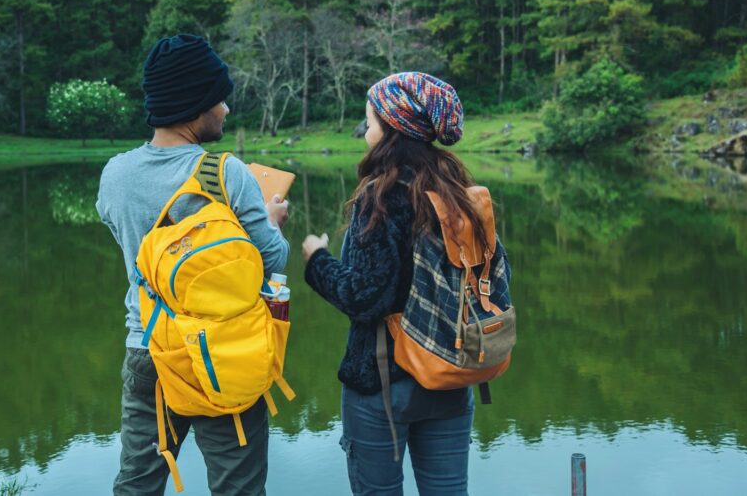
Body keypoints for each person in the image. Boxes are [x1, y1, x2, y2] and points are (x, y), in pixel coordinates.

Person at [96, 33, 290, 496]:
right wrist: (273, 220)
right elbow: (272, 262)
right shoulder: (226, 173)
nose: (224, 109)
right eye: (218, 99)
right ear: (197, 103)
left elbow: (128, 240)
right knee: (237, 488)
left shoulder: (115, 174)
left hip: (148, 349)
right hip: (221, 353)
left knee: (137, 485)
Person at [301, 72, 511, 496]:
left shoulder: (382, 197)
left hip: (384, 381)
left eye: (371, 122)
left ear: (394, 129)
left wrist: (315, 258)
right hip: (451, 372)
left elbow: (365, 297)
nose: (365, 132)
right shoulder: (461, 194)